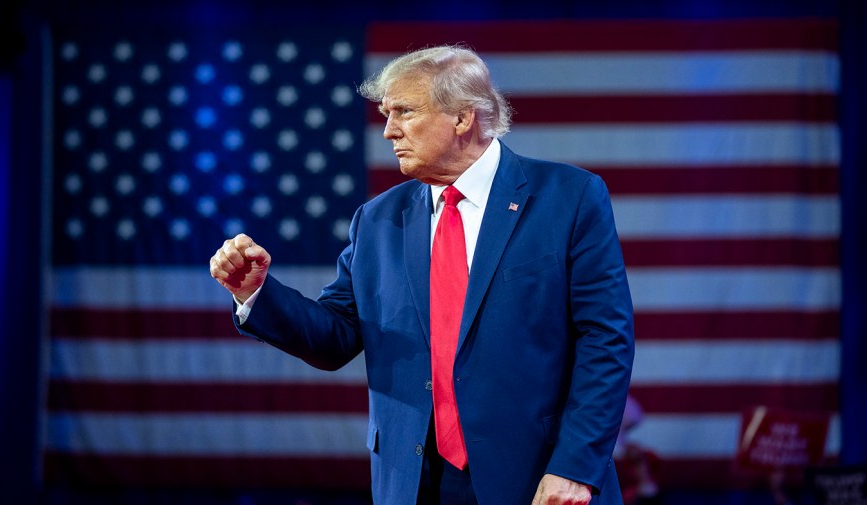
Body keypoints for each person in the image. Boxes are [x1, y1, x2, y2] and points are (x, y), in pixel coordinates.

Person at [210, 45, 634, 505]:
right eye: (386, 113)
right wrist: (255, 294)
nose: (389, 130)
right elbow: (334, 338)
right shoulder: (377, 221)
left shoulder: (567, 198)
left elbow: (605, 339)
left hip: (537, 476)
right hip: (413, 482)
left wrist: (574, 468)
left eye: (404, 112)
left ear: (463, 117)